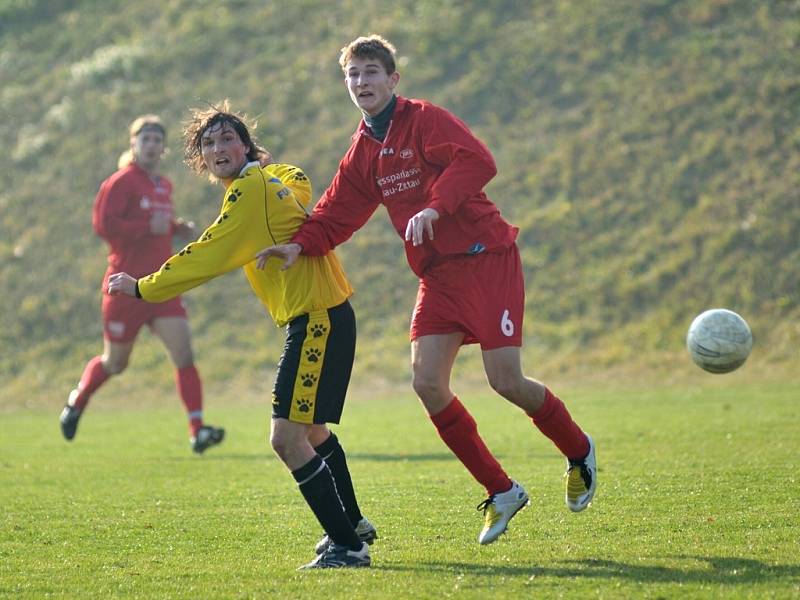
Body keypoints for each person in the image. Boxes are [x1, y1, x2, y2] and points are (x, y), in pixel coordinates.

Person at [256, 34, 598, 545]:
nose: (361, 82)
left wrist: (436, 206)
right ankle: (501, 491)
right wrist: (299, 246)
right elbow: (334, 212)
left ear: (393, 80)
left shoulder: (425, 120)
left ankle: (578, 450)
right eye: (353, 75)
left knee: (506, 380)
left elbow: (478, 161)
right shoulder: (363, 152)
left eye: (371, 72)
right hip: (439, 277)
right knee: (427, 383)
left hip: (487, 259)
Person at [106, 102, 375, 569]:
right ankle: (350, 525)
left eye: (227, 138)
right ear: (201, 160)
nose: (217, 147)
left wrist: (143, 287)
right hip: (326, 315)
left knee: (286, 439)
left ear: (247, 147)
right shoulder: (268, 182)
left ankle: (349, 547)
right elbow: (297, 178)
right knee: (310, 431)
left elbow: (205, 254)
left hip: (317, 318)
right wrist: (275, 178)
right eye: (208, 144)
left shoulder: (248, 192)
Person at [60, 115, 224, 454]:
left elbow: (158, 225)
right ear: (133, 144)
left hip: (159, 285)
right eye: (145, 138)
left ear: (163, 149)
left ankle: (198, 430)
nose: (151, 144)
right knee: (115, 363)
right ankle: (77, 401)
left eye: (156, 140)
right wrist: (147, 226)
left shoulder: (163, 185)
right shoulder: (120, 182)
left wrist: (177, 228)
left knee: (184, 353)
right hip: (123, 286)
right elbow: (104, 226)